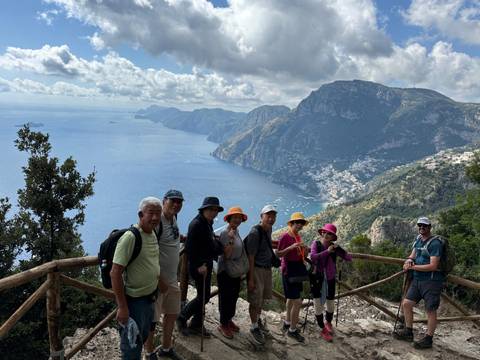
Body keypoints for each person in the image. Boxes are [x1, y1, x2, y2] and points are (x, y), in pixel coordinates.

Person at [111, 197, 162, 360]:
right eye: (151, 213)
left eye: (158, 214)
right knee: (131, 348)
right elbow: (115, 272)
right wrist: (122, 307)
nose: (155, 218)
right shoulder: (130, 237)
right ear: (141, 214)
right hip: (133, 303)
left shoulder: (152, 233)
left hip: (149, 299)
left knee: (141, 338)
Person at [144, 190, 184, 360]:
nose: (176, 204)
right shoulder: (157, 221)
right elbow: (147, 253)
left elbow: (171, 240)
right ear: (164, 201)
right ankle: (149, 352)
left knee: (172, 313)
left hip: (172, 279)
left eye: (179, 202)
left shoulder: (173, 218)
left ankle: (166, 348)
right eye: (172, 201)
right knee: (152, 320)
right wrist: (159, 279)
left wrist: (182, 238)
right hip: (157, 281)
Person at [394, 217, 445, 349]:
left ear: (430, 227)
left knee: (430, 310)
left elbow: (433, 265)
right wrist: (409, 260)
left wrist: (413, 267)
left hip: (432, 281)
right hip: (417, 280)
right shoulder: (418, 239)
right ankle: (408, 331)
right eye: (420, 225)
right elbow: (413, 255)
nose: (422, 228)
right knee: (406, 303)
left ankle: (429, 339)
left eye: (424, 226)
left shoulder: (435, 244)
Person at [176, 196, 224, 337]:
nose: (213, 212)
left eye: (215, 210)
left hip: (206, 264)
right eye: (211, 209)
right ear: (204, 209)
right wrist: (198, 266)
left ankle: (196, 324)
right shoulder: (197, 224)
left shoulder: (207, 223)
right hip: (199, 266)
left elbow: (209, 242)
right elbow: (190, 248)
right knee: (204, 296)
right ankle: (182, 317)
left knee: (203, 295)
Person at [309, 223, 352, 342]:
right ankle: (322, 329)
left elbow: (348, 258)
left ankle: (328, 322)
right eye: (325, 232)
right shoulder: (316, 244)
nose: (326, 235)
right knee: (318, 304)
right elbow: (313, 257)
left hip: (330, 279)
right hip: (318, 278)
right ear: (322, 233)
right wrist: (327, 252)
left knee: (331, 304)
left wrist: (340, 249)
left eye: (330, 234)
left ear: (333, 237)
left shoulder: (334, 248)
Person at [245, 204, 277, 345]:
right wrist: (251, 279)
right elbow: (250, 257)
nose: (271, 219)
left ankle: (258, 320)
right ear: (261, 217)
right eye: (268, 216)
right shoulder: (255, 233)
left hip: (266, 268)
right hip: (256, 269)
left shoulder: (269, 229)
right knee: (255, 299)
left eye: (273, 216)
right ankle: (253, 327)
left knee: (262, 297)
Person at [276, 212, 310, 343]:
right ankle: (293, 330)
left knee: (291, 299)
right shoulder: (285, 236)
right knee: (297, 302)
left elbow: (301, 255)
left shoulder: (297, 236)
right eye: (297, 223)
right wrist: (291, 247)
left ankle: (288, 322)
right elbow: (278, 254)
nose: (299, 225)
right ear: (292, 223)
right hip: (289, 271)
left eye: (301, 223)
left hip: (297, 270)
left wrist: (305, 249)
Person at [216, 206, 248, 339]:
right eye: (234, 217)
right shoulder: (225, 232)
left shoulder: (236, 230)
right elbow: (227, 255)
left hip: (234, 270)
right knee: (226, 297)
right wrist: (230, 239)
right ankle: (223, 324)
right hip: (225, 270)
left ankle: (228, 320)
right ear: (229, 219)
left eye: (239, 218)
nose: (237, 219)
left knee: (233, 296)